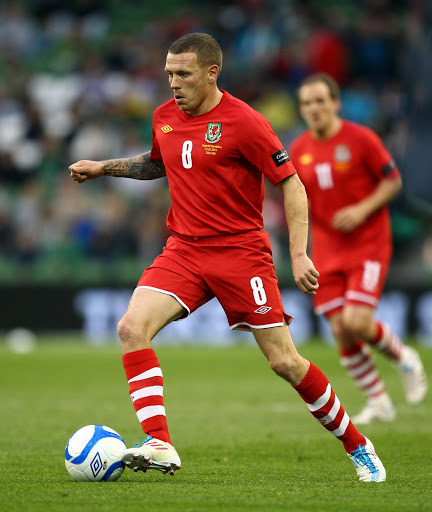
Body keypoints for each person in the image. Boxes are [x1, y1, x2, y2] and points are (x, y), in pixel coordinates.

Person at [69, 33, 386, 482]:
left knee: (285, 363)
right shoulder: (164, 116)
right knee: (130, 328)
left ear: (212, 72)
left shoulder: (245, 122)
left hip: (241, 254)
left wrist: (298, 255)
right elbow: (160, 162)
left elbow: (291, 184)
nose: (173, 84)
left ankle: (359, 446)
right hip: (183, 249)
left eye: (184, 74)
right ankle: (159, 441)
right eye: (169, 74)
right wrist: (104, 167)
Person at [289, 73, 427, 425]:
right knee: (339, 329)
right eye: (307, 103)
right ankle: (379, 400)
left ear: (336, 103)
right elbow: (296, 200)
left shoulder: (361, 138)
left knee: (356, 321)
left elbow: (392, 181)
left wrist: (362, 209)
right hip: (327, 247)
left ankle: (403, 356)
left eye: (320, 100)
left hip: (367, 243)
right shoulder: (299, 150)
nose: (314, 108)